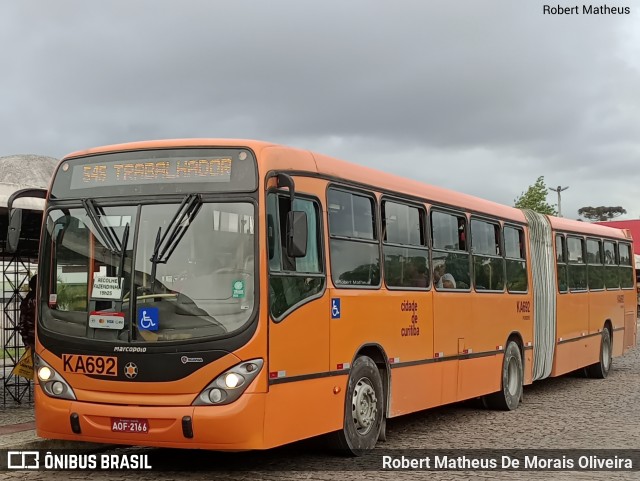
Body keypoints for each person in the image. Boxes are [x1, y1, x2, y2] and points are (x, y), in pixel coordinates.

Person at [18, 275, 37, 351]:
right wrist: (27, 342)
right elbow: (22, 323)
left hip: (33, 336)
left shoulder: (28, 300)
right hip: (32, 337)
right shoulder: (30, 300)